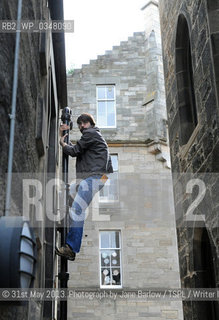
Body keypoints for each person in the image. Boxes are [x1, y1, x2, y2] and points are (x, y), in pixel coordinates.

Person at [56, 113, 113, 261]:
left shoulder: (91, 133)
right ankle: (63, 219)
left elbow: (74, 151)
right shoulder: (95, 135)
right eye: (80, 124)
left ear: (91, 123)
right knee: (69, 193)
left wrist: (62, 143)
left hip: (94, 178)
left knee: (77, 209)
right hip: (93, 178)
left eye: (85, 123)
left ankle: (70, 248)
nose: (82, 126)